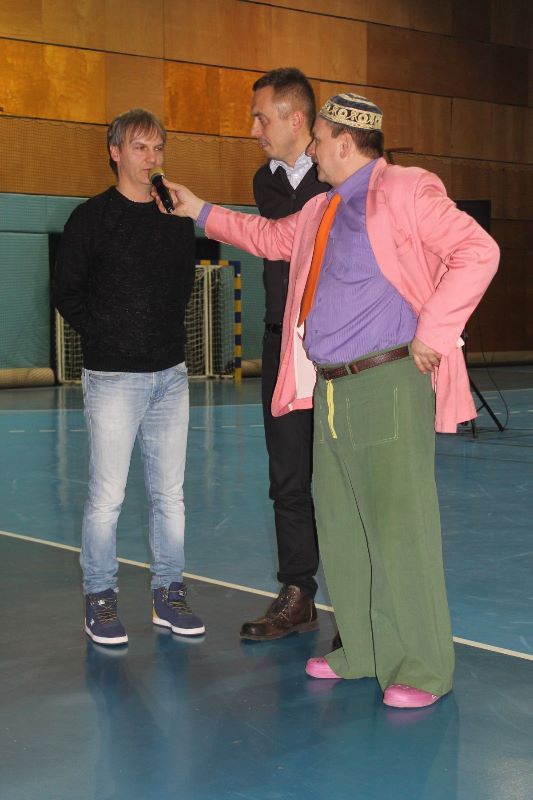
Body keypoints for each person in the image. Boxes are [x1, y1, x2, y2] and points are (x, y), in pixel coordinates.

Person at [154, 92, 499, 708]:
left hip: (388, 381)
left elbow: (478, 252)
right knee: (342, 528)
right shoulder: (321, 208)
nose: (310, 149)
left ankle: (422, 668)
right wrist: (199, 209)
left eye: (317, 139)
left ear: (345, 141)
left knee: (400, 530)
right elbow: (266, 236)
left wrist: (435, 330)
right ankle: (362, 651)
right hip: (332, 388)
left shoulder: (408, 189)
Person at [54, 108, 204, 646]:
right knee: (107, 497)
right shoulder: (90, 219)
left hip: (171, 375)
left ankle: (169, 592)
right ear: (115, 152)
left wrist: (160, 338)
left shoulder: (176, 219)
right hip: (113, 378)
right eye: (140, 147)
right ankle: (100, 597)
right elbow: (66, 292)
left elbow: (182, 286)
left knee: (170, 496)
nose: (152, 158)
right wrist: (108, 336)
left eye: (158, 148)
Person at [241, 68, 330, 641]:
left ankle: (364, 606)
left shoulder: (340, 175)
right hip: (281, 344)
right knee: (288, 475)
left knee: (347, 477)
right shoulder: (266, 181)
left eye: (261, 117)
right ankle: (298, 593)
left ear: (296, 119)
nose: (254, 130)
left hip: (337, 347)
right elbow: (286, 235)